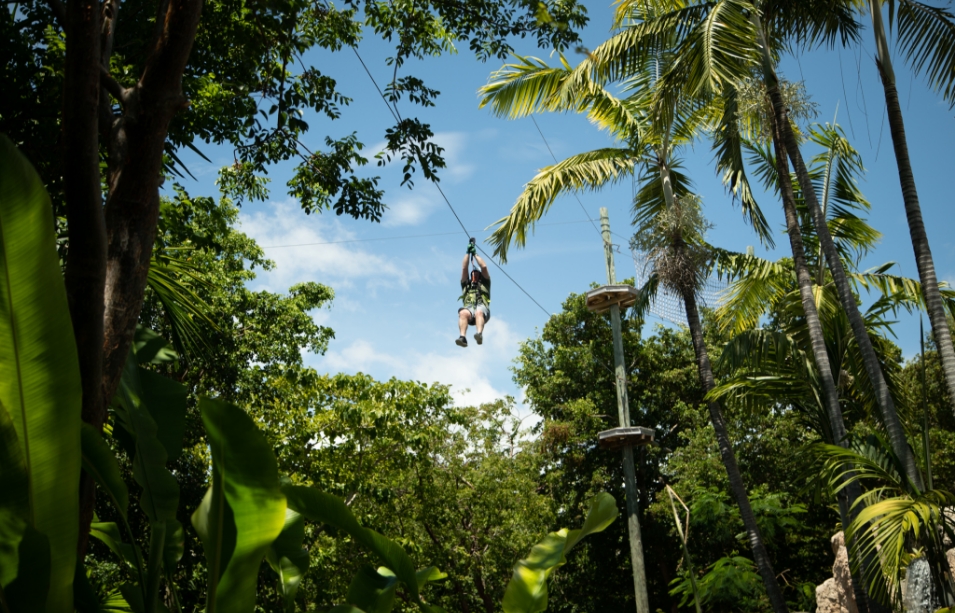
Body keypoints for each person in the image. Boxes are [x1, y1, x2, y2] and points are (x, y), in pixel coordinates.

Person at [456, 242, 490, 347]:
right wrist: (467, 253)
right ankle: (463, 338)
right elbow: (464, 268)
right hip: (469, 309)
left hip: (482, 309)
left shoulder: (485, 284)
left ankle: (479, 334)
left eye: (476, 273)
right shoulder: (466, 285)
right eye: (473, 273)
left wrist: (475, 254)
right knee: (463, 313)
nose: (474, 274)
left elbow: (484, 267)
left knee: (479, 312)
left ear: (480, 276)